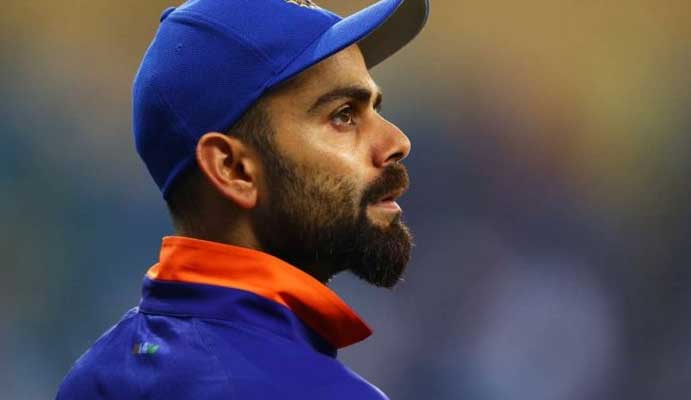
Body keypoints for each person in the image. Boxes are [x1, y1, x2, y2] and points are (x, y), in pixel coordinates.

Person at [56, 0, 428, 398]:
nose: (397, 141)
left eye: (375, 108)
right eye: (344, 115)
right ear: (233, 169)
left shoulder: (96, 376)